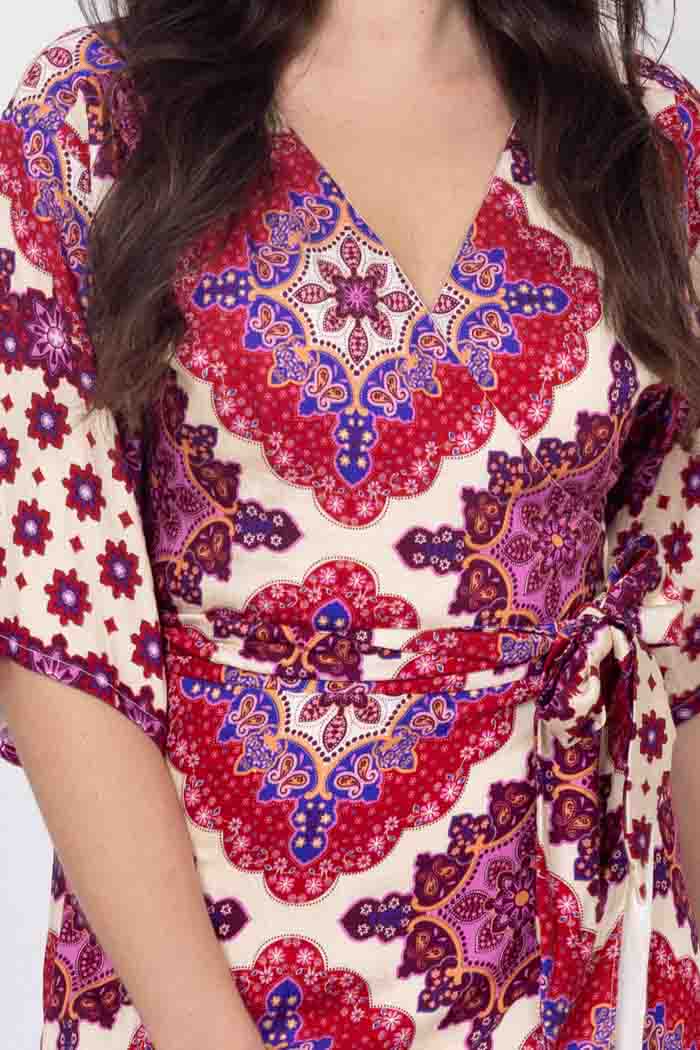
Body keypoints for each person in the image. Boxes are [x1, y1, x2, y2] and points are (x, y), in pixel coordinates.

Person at [2, 1, 700, 1047]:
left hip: (573, 955)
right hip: (202, 967)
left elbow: (678, 633)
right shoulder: (95, 118)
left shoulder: (651, 138)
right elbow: (55, 624)